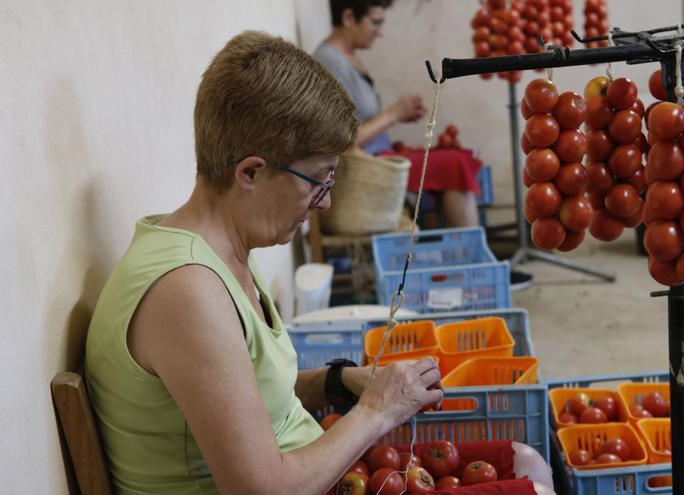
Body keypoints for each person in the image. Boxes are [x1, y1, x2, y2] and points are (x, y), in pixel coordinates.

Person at [85, 31, 552, 494]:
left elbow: (250, 397)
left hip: (310, 471)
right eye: (319, 181)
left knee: (525, 460)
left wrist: (337, 380)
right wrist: (377, 411)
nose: (324, 204)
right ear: (250, 172)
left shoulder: (217, 253)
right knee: (533, 487)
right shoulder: (187, 292)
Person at [314, 0, 534, 290]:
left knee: (460, 157)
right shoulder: (331, 62)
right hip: (369, 169)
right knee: (455, 164)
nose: (380, 32)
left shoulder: (347, 56)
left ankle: (475, 265)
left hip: (382, 154)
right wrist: (393, 114)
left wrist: (396, 117)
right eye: (376, 22)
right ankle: (478, 269)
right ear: (348, 17)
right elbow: (340, 140)